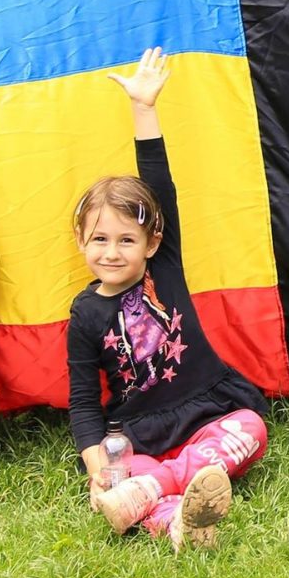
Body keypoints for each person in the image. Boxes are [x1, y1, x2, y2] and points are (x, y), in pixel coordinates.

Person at [69, 50, 270, 551]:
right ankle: (177, 522)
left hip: (208, 414)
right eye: (99, 239)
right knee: (121, 474)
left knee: (251, 429)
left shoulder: (165, 266)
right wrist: (96, 466)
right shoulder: (85, 313)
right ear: (80, 241)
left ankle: (154, 490)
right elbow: (83, 400)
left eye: (126, 240)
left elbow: (160, 184)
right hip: (141, 433)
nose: (111, 252)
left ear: (152, 243)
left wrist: (144, 108)